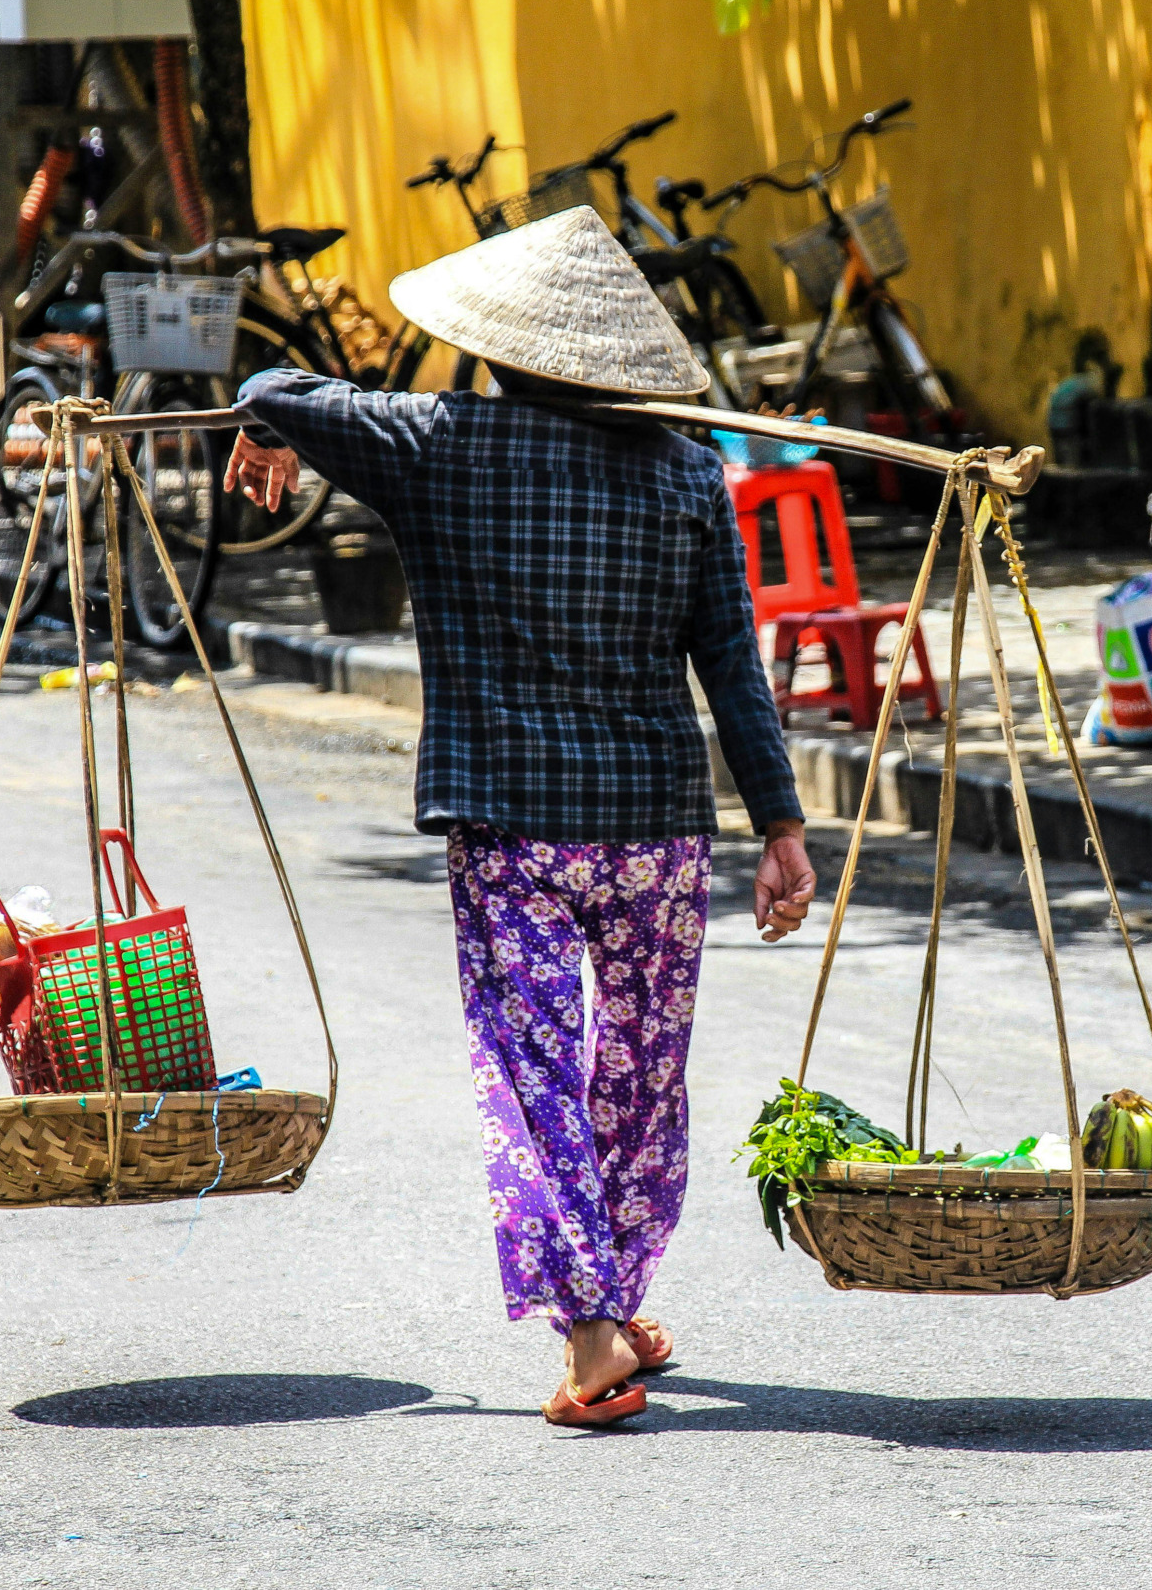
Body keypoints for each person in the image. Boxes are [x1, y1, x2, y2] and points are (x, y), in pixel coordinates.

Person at [220, 208, 816, 1429]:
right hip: (654, 827)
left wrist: (263, 426)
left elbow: (274, 375)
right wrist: (783, 826)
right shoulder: (690, 469)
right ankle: (615, 1297)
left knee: (532, 1070)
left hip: (511, 826)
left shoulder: (438, 442)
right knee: (641, 1074)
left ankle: (597, 1326)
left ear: (497, 350)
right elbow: (731, 665)